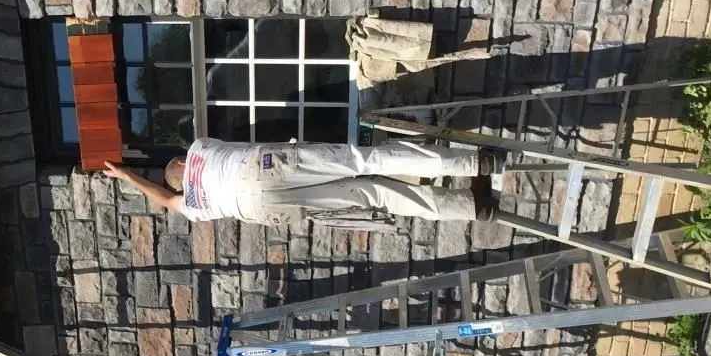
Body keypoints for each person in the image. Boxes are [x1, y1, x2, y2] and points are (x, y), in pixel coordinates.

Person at [104, 137, 502, 224]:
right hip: (260, 168)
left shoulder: (192, 206)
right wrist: (128, 167)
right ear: (182, 161)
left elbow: (161, 200)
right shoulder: (199, 148)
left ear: (180, 185)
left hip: (258, 208)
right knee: (364, 159)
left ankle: (473, 206)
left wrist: (128, 177)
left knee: (369, 193)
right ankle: (475, 163)